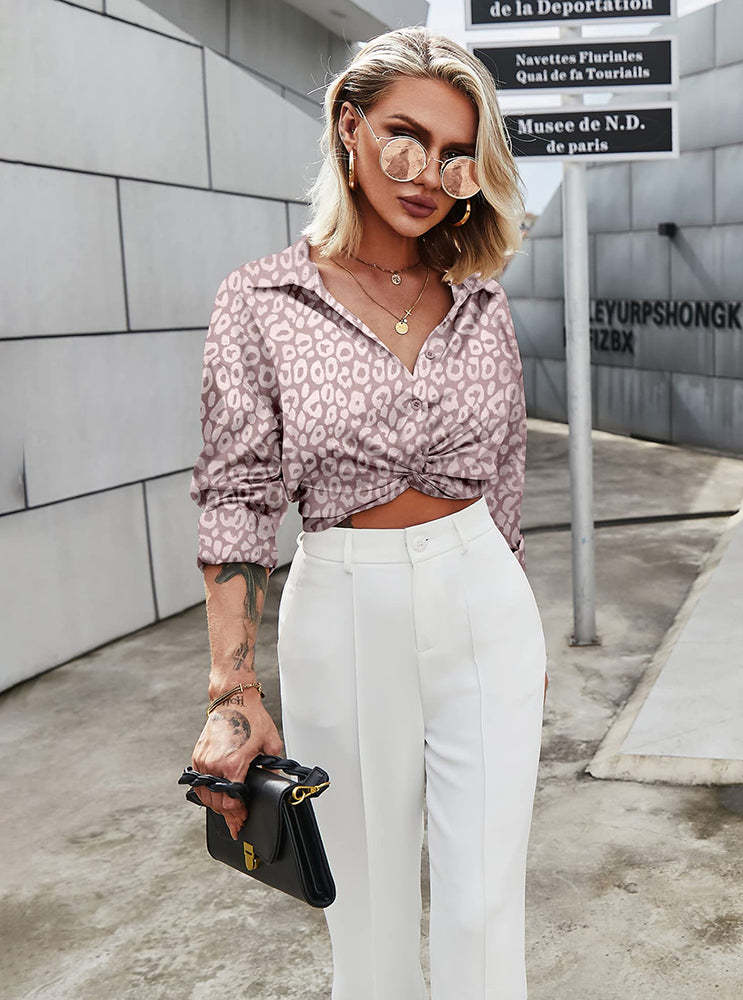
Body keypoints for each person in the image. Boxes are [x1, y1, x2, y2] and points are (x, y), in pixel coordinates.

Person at [188, 25, 549, 1000]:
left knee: (484, 910)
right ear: (349, 127)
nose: (426, 174)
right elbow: (237, 494)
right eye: (403, 137)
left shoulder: (480, 299)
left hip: (483, 596)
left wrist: (508, 593)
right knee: (367, 915)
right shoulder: (261, 300)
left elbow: (506, 476)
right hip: (344, 606)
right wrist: (232, 690)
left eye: (455, 154)